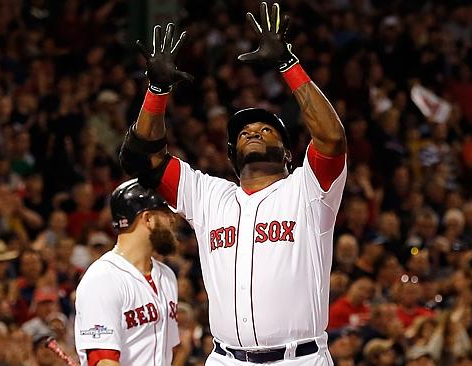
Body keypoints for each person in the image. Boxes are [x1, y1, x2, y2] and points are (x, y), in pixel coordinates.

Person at [120, 2, 347, 365]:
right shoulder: (208, 195)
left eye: (266, 130)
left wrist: (289, 65)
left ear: (289, 153)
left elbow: (333, 139)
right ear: (231, 153)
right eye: (245, 133)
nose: (254, 133)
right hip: (226, 359)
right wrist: (157, 91)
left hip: (299, 358)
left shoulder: (309, 190)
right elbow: (140, 159)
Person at [74, 179, 181, 366]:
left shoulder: (167, 276)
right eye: (165, 213)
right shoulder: (102, 279)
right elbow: (103, 361)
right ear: (147, 218)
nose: (172, 219)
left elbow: (168, 353)